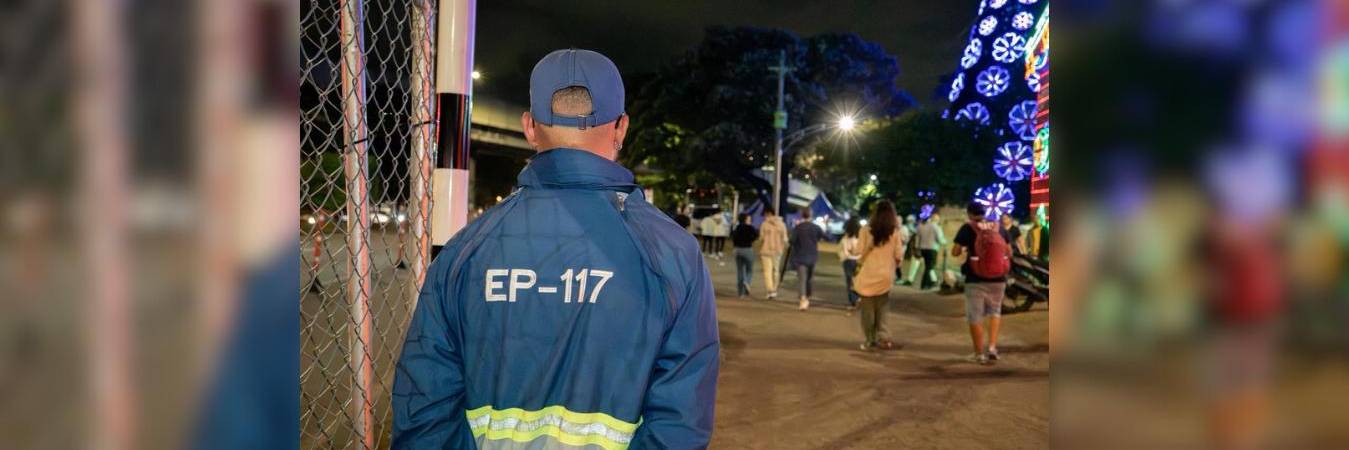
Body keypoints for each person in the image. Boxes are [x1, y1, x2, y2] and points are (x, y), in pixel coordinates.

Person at [391, 49, 719, 449]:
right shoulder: (673, 252)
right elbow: (681, 423)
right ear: (621, 127)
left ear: (529, 127)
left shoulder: (466, 249)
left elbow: (424, 409)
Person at [952, 202, 1011, 365]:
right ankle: (992, 348)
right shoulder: (998, 227)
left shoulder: (967, 228)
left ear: (969, 214)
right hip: (999, 278)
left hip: (975, 278)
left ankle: (979, 354)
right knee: (995, 311)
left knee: (975, 315)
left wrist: (966, 249)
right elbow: (1009, 251)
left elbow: (955, 252)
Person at [851, 200, 906, 351]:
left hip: (868, 274)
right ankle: (884, 337)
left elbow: (858, 251)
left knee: (867, 310)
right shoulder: (894, 232)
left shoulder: (865, 230)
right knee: (882, 307)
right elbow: (898, 255)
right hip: (885, 276)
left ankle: (870, 340)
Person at [788, 207, 825, 311]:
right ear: (811, 215)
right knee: (809, 278)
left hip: (800, 256)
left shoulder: (798, 228)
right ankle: (807, 296)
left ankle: (803, 299)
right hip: (812, 256)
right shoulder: (816, 227)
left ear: (802, 215)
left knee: (802, 279)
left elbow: (791, 241)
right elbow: (823, 236)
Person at [756, 206, 788, 299]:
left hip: (765, 251)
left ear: (768, 213)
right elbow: (785, 238)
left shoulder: (764, 224)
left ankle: (770, 290)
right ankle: (774, 290)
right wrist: (782, 247)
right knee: (776, 271)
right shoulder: (782, 224)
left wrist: (759, 247)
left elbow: (761, 238)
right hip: (777, 251)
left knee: (767, 272)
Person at [915, 213, 946, 290]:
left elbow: (918, 238)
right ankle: (924, 284)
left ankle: (930, 283)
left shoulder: (922, 226)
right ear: (937, 220)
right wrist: (945, 242)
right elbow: (940, 239)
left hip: (923, 248)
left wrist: (917, 248)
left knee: (927, 266)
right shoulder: (936, 227)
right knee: (929, 267)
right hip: (932, 249)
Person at [731, 213, 759, 298]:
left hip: (737, 250)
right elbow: (756, 236)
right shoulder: (750, 227)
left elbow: (732, 237)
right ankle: (747, 282)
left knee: (740, 270)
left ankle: (741, 293)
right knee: (749, 269)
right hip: (747, 249)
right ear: (746, 219)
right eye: (749, 219)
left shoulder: (736, 227)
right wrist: (750, 240)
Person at [839, 216, 863, 310]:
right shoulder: (860, 237)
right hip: (859, 260)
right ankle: (859, 298)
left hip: (848, 260)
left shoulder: (846, 238)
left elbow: (844, 250)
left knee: (850, 281)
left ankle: (854, 300)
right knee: (858, 280)